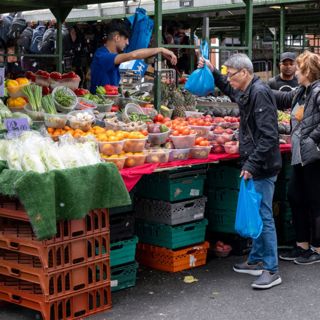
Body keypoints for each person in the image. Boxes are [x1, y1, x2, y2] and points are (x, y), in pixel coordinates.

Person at [199, 53, 282, 290]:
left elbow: (269, 137)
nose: (229, 79)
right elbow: (229, 89)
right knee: (256, 212)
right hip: (257, 163)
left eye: (231, 74)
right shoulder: (248, 91)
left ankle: (272, 269)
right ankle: (256, 260)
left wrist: (251, 165)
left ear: (244, 73)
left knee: (263, 215)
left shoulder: (259, 94)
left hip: (263, 167)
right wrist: (213, 71)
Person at [272, 51, 320, 265]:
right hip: (300, 156)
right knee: (295, 196)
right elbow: (281, 97)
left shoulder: (318, 91)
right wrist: (255, 85)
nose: (296, 73)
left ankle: (317, 248)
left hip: (315, 156)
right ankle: (302, 245)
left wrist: (311, 139)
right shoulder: (302, 91)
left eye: (299, 69)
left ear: (308, 71)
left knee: (316, 201)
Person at [90, 19, 177, 93]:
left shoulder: (113, 57)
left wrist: (153, 77)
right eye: (126, 39)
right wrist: (160, 49)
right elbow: (133, 55)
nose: (127, 43)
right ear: (117, 38)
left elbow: (131, 70)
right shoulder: (102, 56)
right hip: (100, 106)